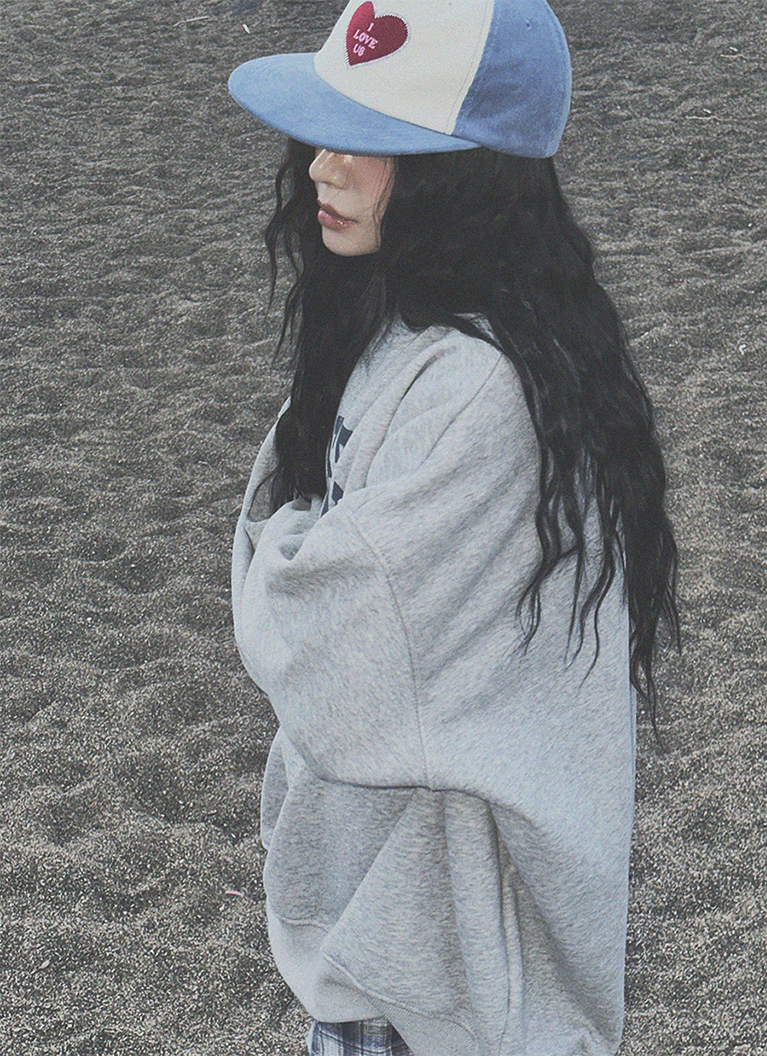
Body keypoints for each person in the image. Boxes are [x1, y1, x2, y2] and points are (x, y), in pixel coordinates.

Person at [228, 1, 679, 1054]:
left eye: (369, 139)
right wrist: (296, 549)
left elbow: (325, 660)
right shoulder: (393, 327)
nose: (322, 167)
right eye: (325, 130)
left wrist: (282, 552)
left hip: (450, 992)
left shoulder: (479, 387)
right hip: (393, 952)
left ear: (465, 176)